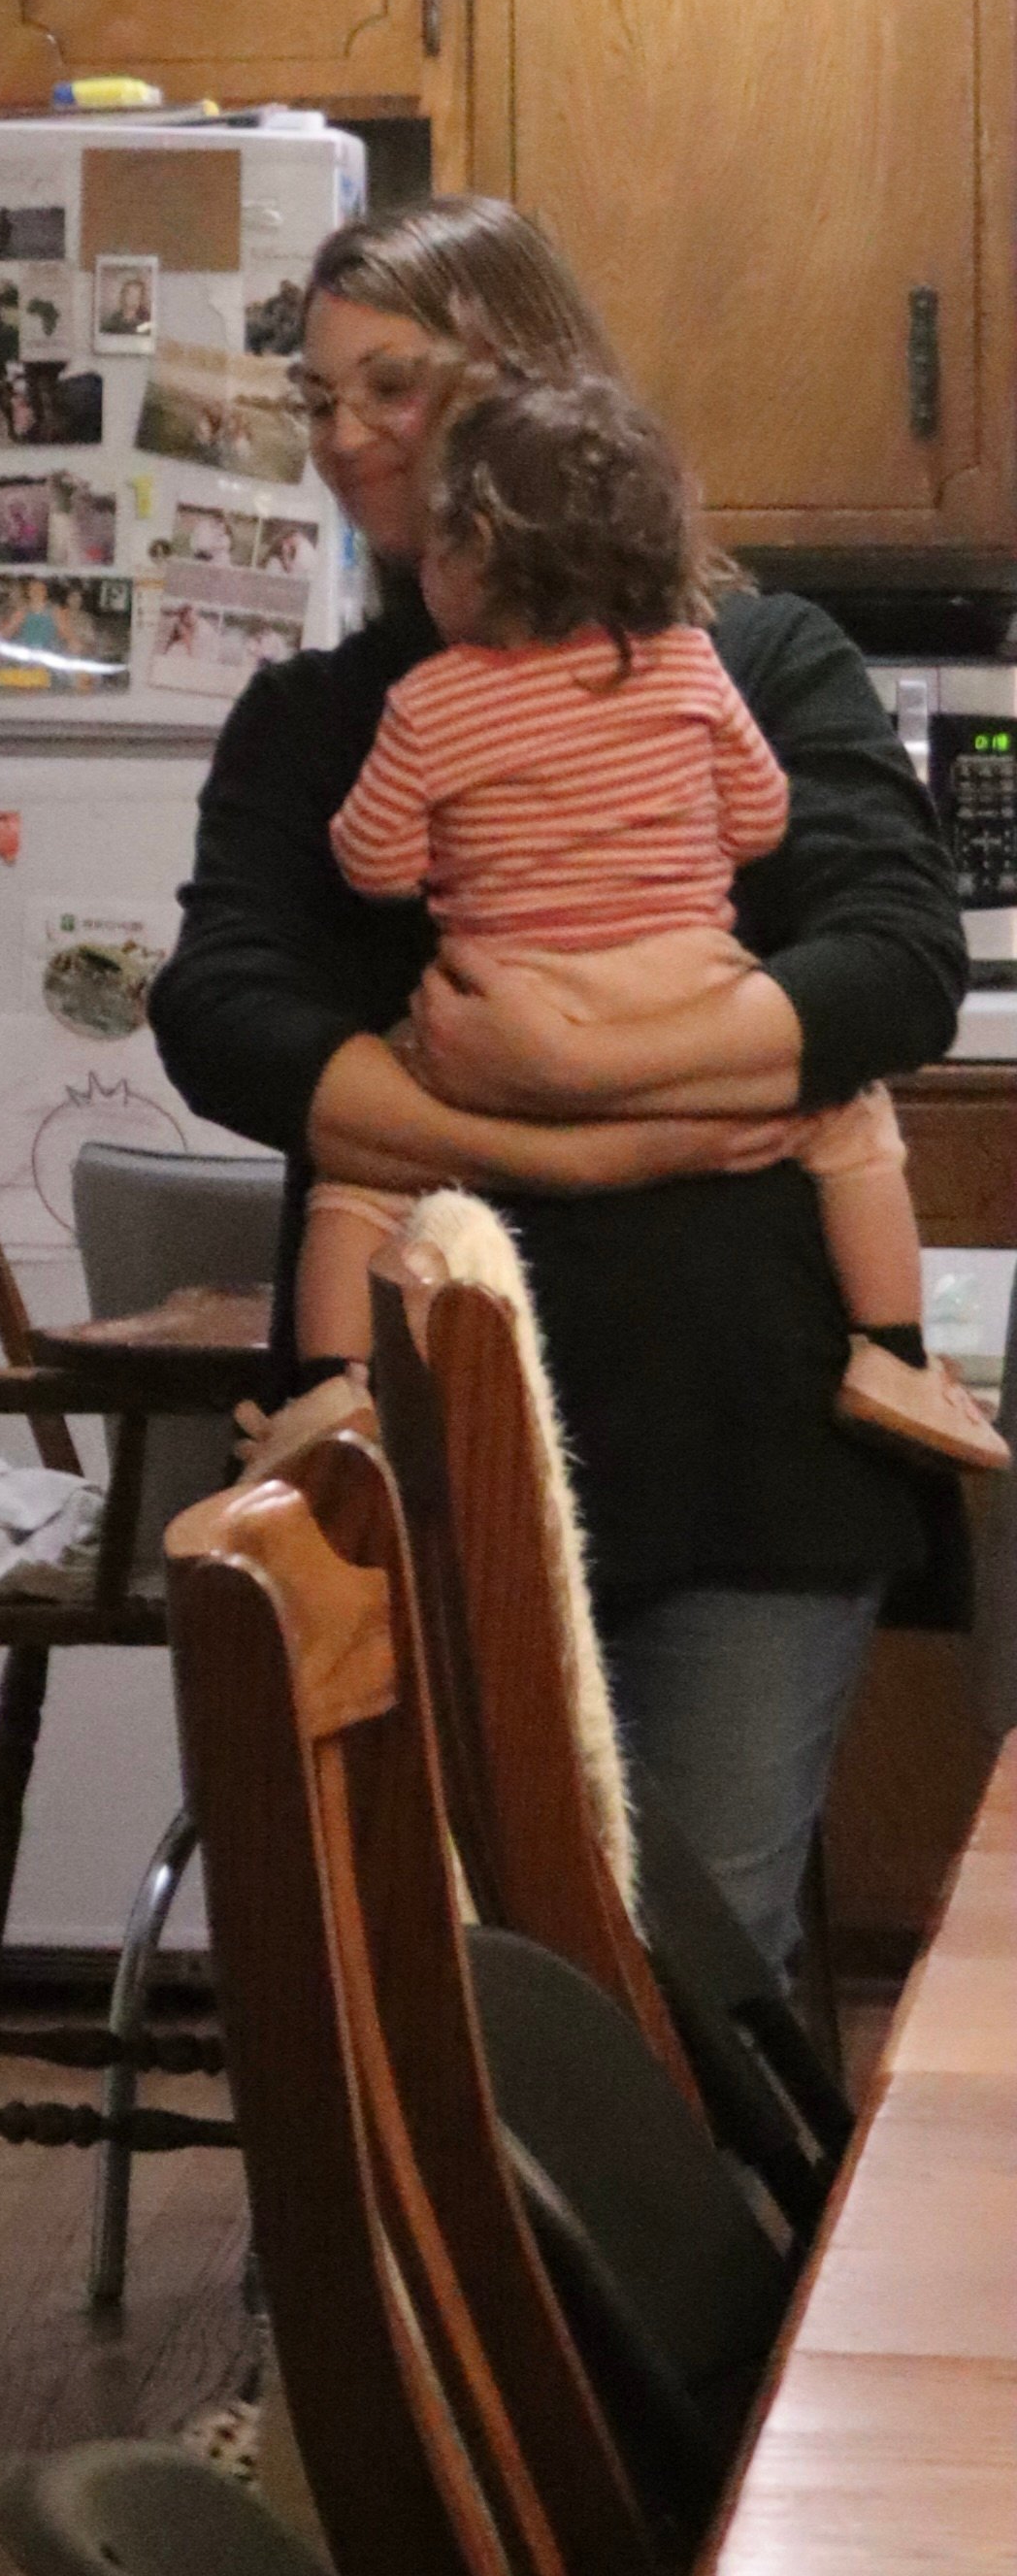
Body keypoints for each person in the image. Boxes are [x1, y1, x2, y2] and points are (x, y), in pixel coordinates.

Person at [150, 196, 969, 1974]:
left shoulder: (754, 663)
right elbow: (219, 1011)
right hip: (414, 1440)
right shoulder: (318, 713)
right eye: (320, 397)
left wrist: (564, 1066)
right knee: (428, 1969)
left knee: (705, 1966)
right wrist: (580, 1148)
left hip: (749, 1442)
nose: (349, 434)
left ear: (521, 384)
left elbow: (902, 954)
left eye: (392, 385)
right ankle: (391, 2275)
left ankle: (695, 2271)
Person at [293, 366, 1002, 1475]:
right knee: (853, 1125)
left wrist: (442, 867)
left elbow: (375, 862)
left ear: (476, 546)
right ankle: (895, 1352)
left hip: (501, 994)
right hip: (688, 977)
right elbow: (765, 813)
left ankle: (328, 1389)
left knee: (357, 1177)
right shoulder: (689, 663)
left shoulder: (428, 702)